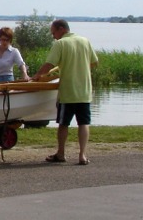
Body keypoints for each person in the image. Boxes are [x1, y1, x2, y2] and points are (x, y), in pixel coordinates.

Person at [31, 19, 99, 165]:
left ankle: (61, 153)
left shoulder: (60, 43)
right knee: (84, 123)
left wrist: (37, 76)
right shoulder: (85, 41)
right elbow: (94, 62)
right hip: (84, 91)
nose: (53, 36)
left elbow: (49, 65)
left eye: (54, 32)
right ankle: (82, 155)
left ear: (61, 29)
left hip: (68, 92)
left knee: (63, 124)